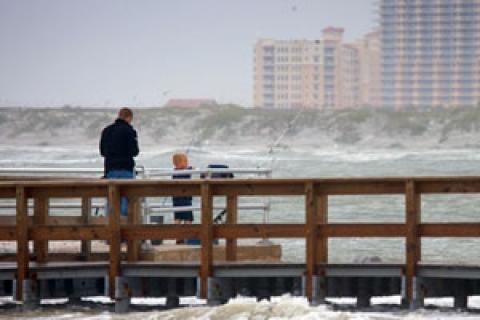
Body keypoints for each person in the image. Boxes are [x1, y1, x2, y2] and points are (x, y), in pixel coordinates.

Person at [100, 107, 139, 216]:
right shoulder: (129, 131)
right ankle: (123, 224)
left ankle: (110, 222)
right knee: (125, 198)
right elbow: (134, 151)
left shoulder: (107, 130)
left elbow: (102, 151)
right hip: (125, 169)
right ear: (129, 118)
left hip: (110, 169)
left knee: (111, 198)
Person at [172, 153, 193, 243]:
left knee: (178, 218)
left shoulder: (174, 172)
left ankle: (178, 238)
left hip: (176, 199)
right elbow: (188, 174)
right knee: (188, 218)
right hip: (185, 199)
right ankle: (187, 236)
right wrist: (191, 169)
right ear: (179, 163)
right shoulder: (185, 172)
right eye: (185, 161)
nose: (187, 163)